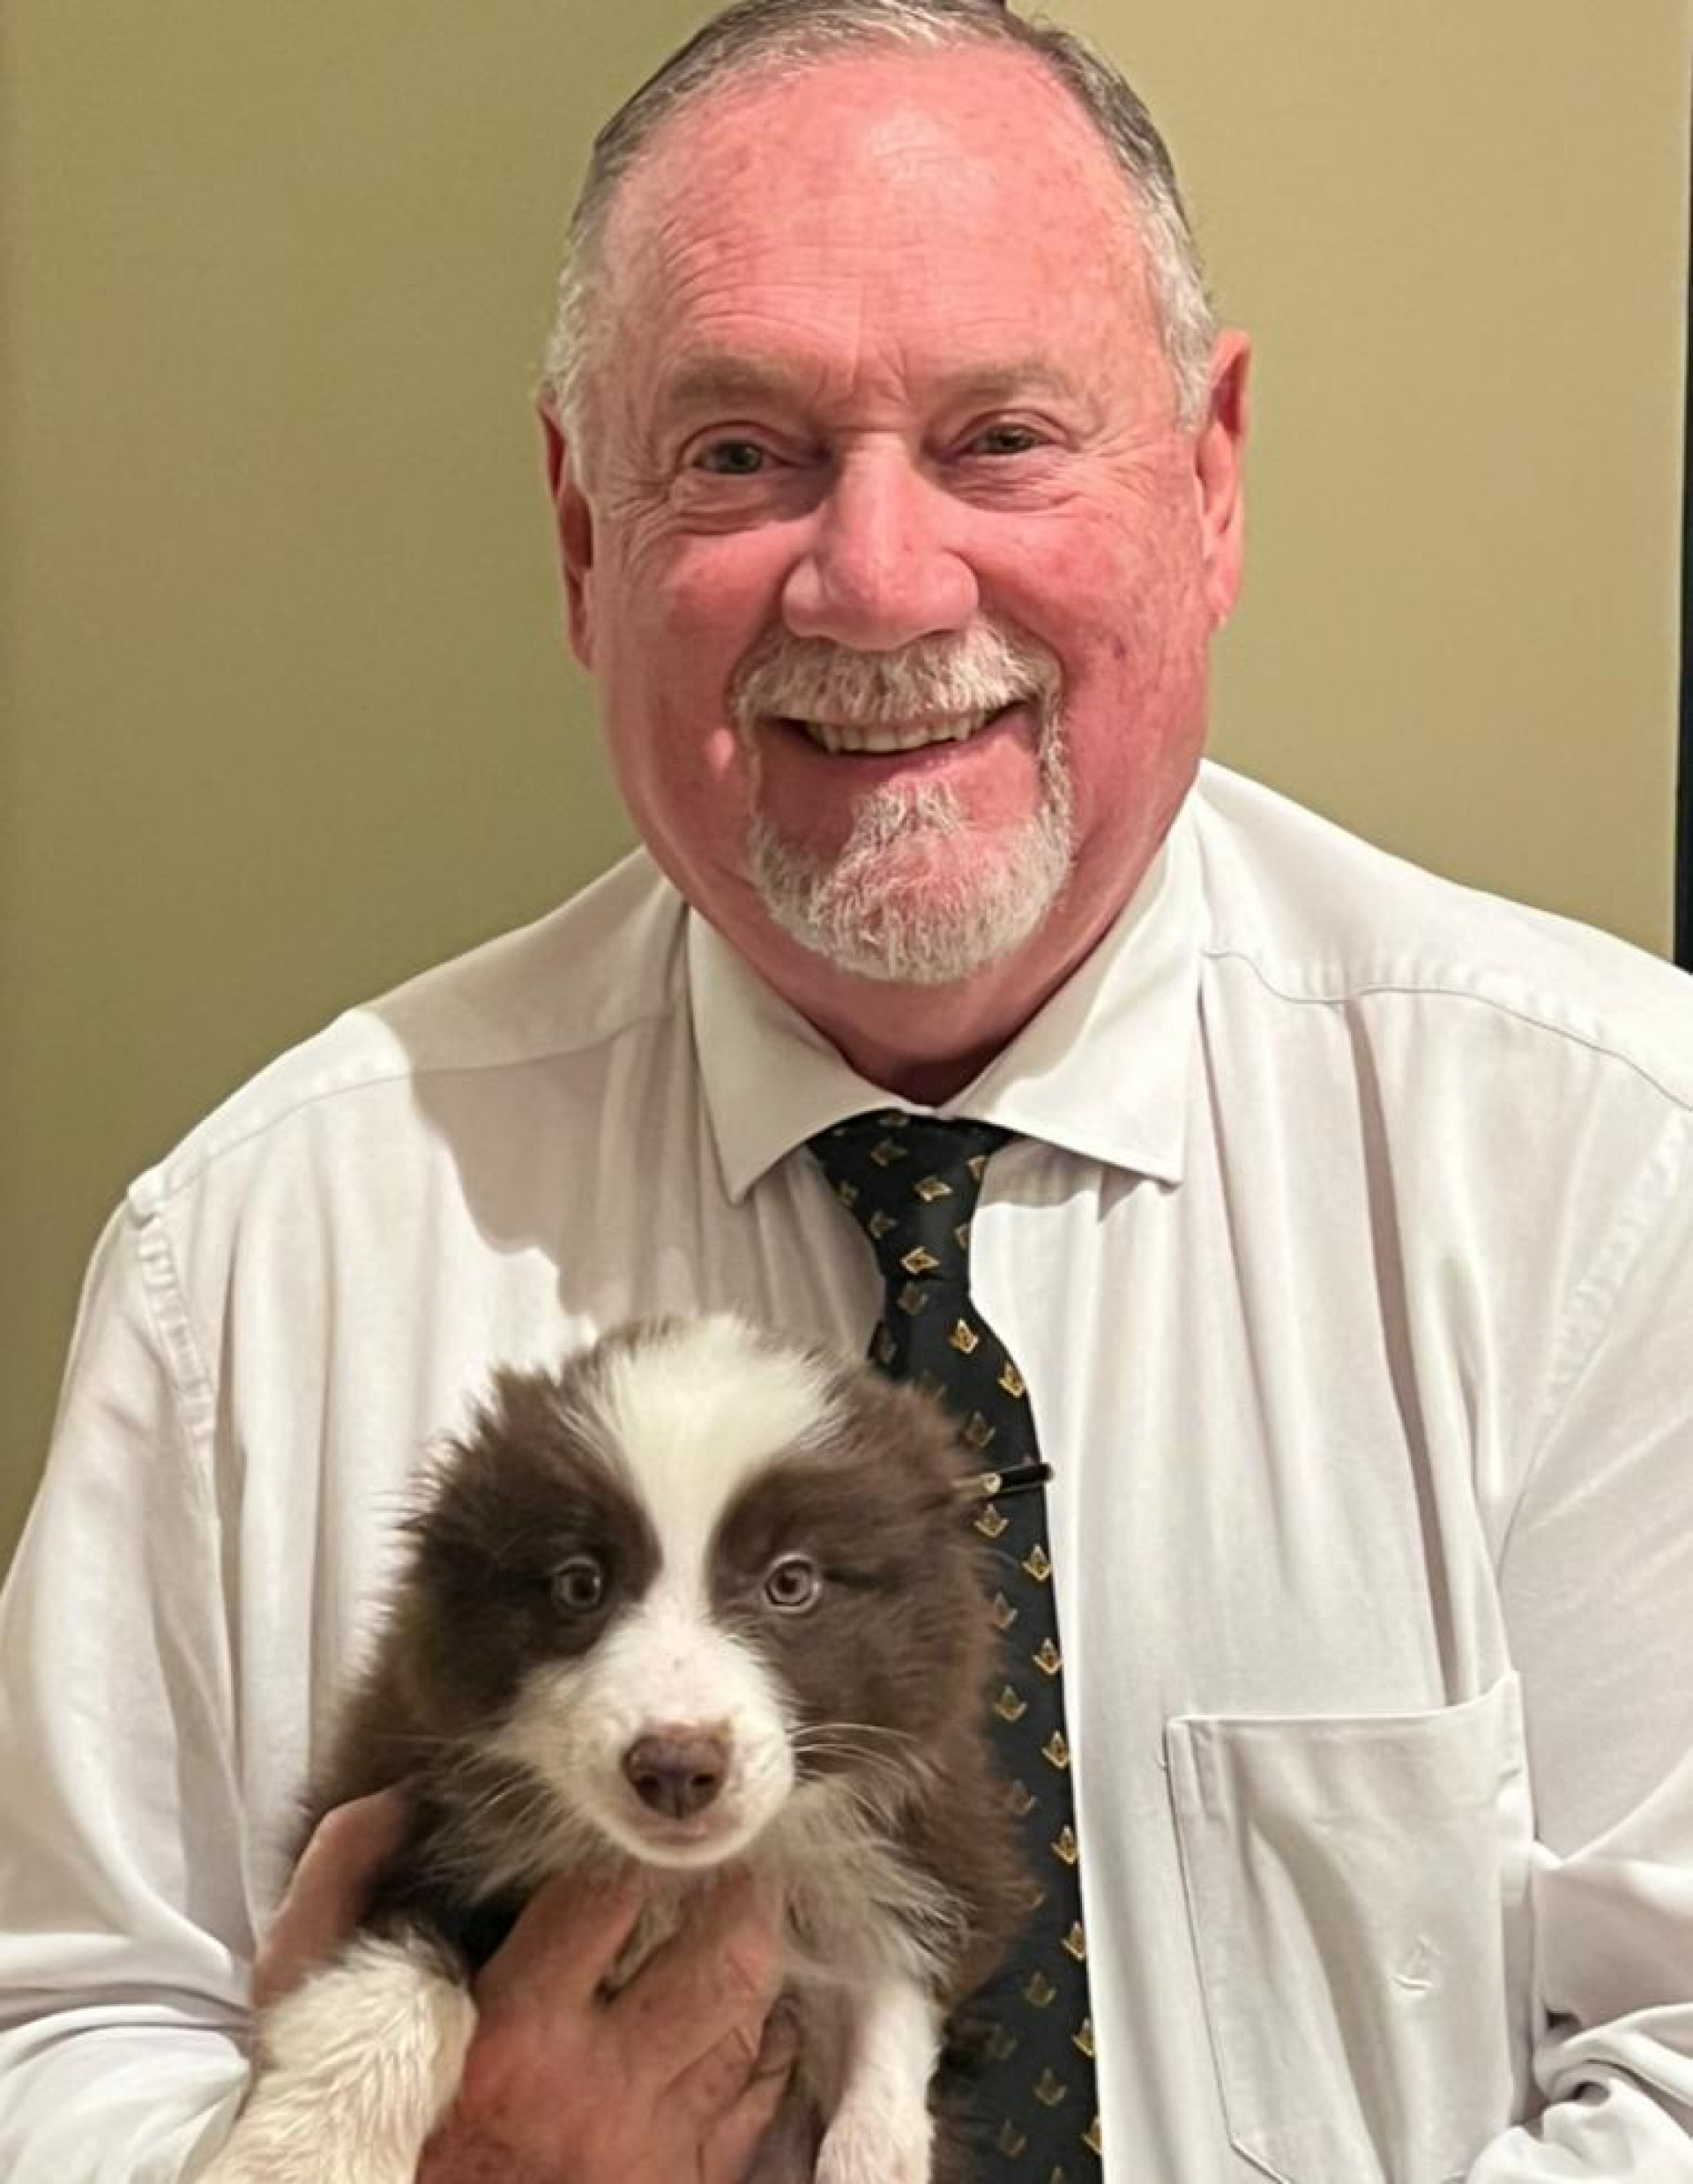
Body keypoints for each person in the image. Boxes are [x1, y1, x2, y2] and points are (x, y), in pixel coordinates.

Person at [3, 0, 1691, 2176]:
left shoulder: (1614, 1170)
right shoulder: (252, 1257)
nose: (878, 582)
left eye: (1001, 437)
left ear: (1209, 476)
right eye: (737, 454)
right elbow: (57, 2037)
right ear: (579, 530)